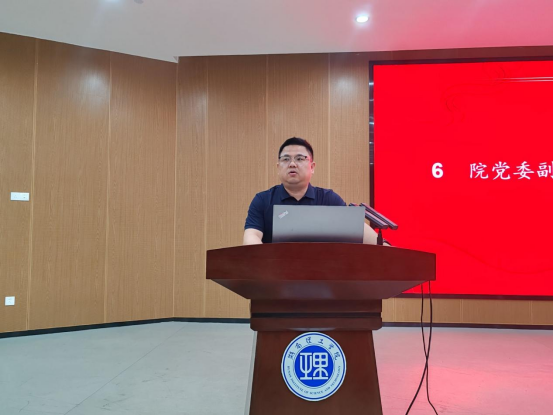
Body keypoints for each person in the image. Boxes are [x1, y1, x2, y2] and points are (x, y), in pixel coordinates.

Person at [243, 137, 381, 245]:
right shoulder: (263, 200)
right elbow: (251, 236)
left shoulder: (329, 199)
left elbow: (357, 228)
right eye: (286, 159)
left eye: (299, 158)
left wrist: (385, 246)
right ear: (278, 167)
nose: (292, 164)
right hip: (276, 271)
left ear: (312, 167)